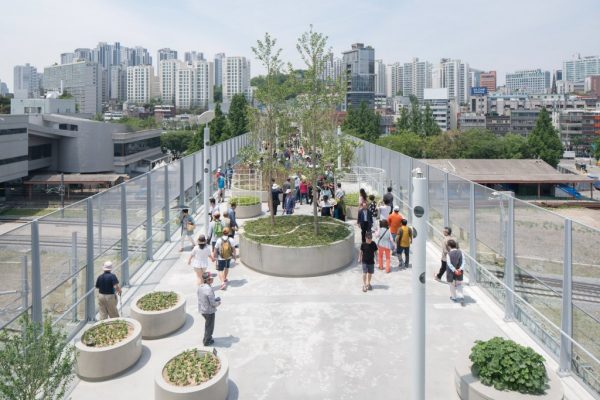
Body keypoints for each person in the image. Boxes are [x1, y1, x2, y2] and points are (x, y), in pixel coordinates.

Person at [197, 272, 221, 346]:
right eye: (211, 278)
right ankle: (207, 341)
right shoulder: (209, 289)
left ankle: (207, 338)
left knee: (208, 325)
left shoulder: (200, 287)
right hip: (209, 312)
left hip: (202, 309)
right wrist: (218, 303)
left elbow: (203, 298)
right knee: (209, 327)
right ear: (208, 280)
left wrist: (214, 299)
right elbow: (213, 304)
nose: (213, 279)